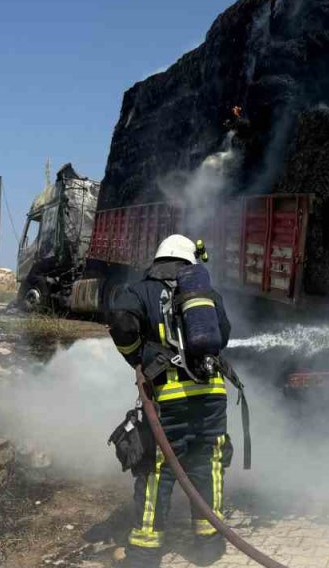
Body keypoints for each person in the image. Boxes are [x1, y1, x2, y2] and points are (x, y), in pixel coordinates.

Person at [107, 235, 234, 568]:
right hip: (211, 396)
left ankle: (146, 552)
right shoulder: (207, 296)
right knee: (208, 464)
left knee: (157, 470)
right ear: (190, 263)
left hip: (168, 399)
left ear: (158, 260)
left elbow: (121, 322)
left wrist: (137, 358)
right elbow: (223, 335)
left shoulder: (140, 291)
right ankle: (209, 546)